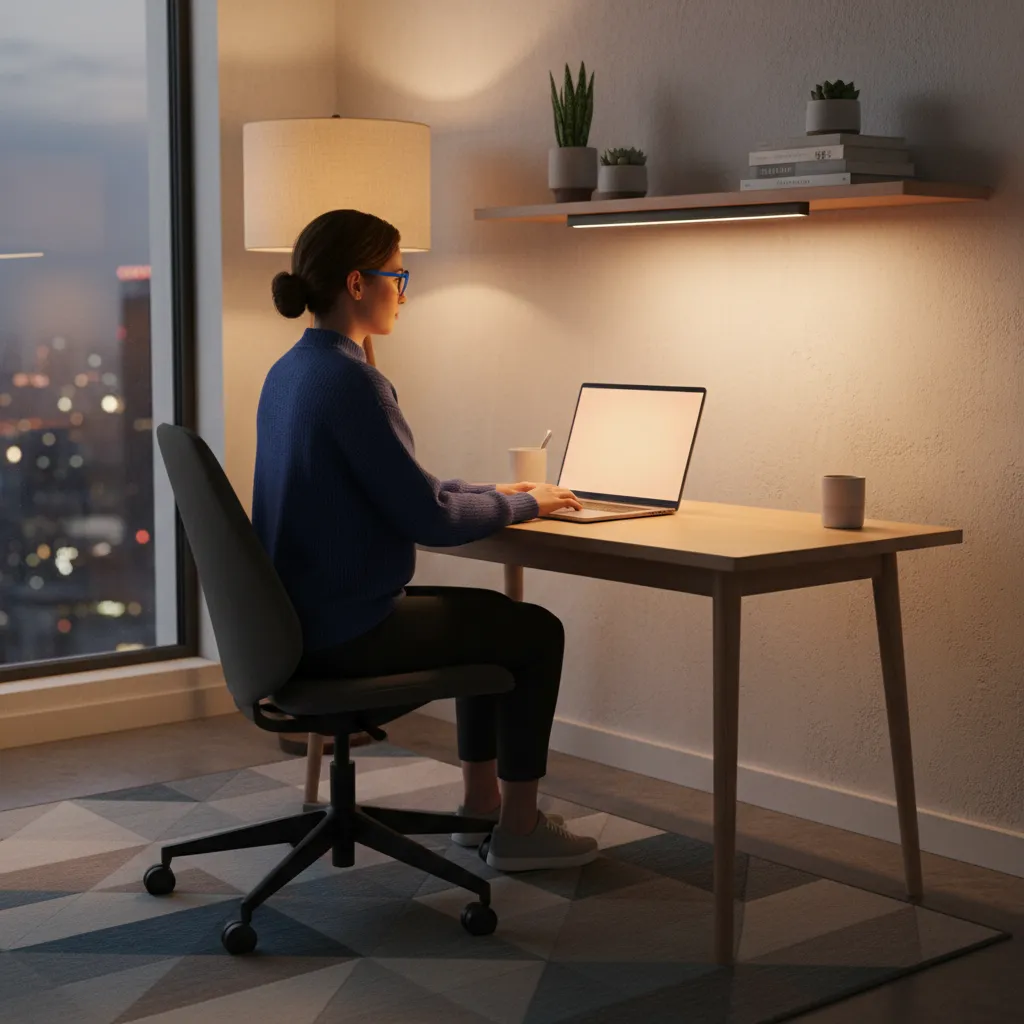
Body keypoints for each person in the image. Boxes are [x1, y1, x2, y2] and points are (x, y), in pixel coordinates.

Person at [252, 208, 599, 871]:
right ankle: (518, 829)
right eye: (398, 276)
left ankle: (480, 813)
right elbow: (430, 520)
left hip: (294, 626)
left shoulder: (292, 372)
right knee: (531, 632)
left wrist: (498, 497)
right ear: (358, 283)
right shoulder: (352, 381)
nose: (404, 293)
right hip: (344, 638)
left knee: (485, 621)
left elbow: (411, 491)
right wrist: (525, 503)